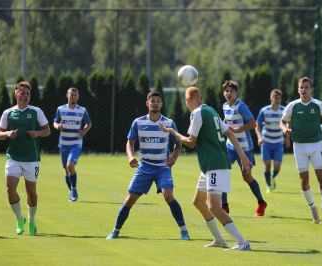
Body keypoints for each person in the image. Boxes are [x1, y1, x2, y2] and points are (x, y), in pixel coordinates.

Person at [160, 86, 251, 250]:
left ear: (189, 100)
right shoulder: (211, 110)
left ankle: (242, 242)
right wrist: (243, 156)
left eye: (186, 101)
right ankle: (219, 240)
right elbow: (230, 133)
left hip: (215, 164)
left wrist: (173, 131)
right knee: (198, 201)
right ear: (200, 97)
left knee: (213, 206)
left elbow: (191, 142)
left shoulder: (197, 113)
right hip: (210, 165)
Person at [106, 91, 190, 240]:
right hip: (144, 167)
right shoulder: (138, 122)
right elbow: (130, 142)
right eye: (153, 101)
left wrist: (174, 158)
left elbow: (178, 144)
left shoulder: (169, 123)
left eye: (158, 101)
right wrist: (131, 156)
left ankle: (184, 231)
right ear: (147, 103)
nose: (155, 103)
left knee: (168, 195)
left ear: (162, 104)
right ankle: (115, 231)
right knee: (130, 199)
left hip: (162, 168)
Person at [0, 81, 51, 235]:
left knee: (31, 192)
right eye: (23, 93)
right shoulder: (8, 113)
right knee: (10, 189)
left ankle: (32, 221)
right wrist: (8, 134)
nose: (26, 96)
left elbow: (47, 130)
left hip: (31, 158)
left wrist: (37, 133)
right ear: (16, 94)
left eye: (28, 93)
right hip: (13, 157)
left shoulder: (36, 111)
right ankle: (20, 219)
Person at [280, 77, 322, 224]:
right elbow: (283, 120)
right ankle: (312, 208)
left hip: (316, 145)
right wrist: (285, 129)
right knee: (304, 182)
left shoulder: (319, 105)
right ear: (298, 90)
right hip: (299, 147)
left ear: (311, 89)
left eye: (306, 87)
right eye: (301, 88)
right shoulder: (292, 106)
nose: (303, 90)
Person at [221, 80, 267, 216]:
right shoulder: (224, 106)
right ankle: (224, 206)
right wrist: (221, 125)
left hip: (245, 147)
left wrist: (238, 129)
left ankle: (261, 202)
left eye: (231, 91)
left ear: (236, 93)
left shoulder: (241, 106)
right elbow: (227, 121)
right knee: (222, 172)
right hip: (229, 146)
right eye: (226, 91)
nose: (228, 93)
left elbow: (253, 123)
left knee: (247, 177)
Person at [53, 87, 92, 201]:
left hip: (76, 143)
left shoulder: (82, 110)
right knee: (66, 169)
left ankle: (74, 191)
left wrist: (83, 131)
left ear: (78, 96)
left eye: (75, 94)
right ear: (67, 95)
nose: (73, 96)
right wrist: (58, 126)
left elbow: (89, 124)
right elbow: (55, 122)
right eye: (71, 94)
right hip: (63, 143)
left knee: (70, 166)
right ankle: (72, 192)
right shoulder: (60, 109)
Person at [255, 89, 290, 193]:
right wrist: (259, 137)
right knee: (267, 165)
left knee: (277, 166)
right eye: (275, 98)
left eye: (279, 98)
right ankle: (268, 185)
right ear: (271, 98)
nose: (277, 100)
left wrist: (287, 138)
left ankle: (271, 177)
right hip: (266, 142)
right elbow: (257, 125)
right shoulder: (264, 110)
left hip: (279, 142)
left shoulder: (284, 110)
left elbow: (287, 122)